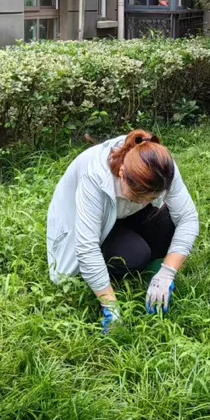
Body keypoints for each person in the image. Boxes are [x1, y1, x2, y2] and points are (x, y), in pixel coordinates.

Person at [46, 128, 199, 333]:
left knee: (167, 220)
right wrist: (111, 307)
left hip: (123, 214)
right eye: (139, 197)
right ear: (121, 174)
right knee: (134, 256)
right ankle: (117, 274)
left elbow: (188, 218)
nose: (146, 203)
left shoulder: (161, 165)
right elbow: (87, 248)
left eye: (151, 198)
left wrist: (167, 273)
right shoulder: (94, 176)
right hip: (83, 225)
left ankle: (155, 277)